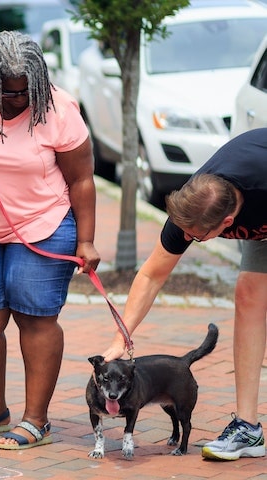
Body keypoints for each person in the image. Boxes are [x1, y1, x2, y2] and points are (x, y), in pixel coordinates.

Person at [0, 31, 99, 450]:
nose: (18, 99)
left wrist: (86, 241)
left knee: (34, 317)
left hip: (45, 225)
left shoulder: (58, 108)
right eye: (8, 92)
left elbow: (82, 179)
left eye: (26, 89)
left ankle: (36, 420)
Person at [101, 128, 267, 461]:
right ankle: (247, 428)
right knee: (249, 293)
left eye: (197, 237)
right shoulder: (193, 205)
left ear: (228, 223)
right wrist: (122, 336)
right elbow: (151, 275)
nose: (187, 238)